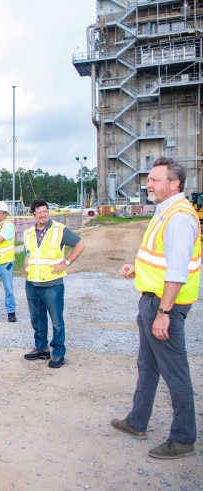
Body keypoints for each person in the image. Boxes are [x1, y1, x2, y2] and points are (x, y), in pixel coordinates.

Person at [112, 157, 200, 459]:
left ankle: (184, 438)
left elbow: (177, 271)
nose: (148, 184)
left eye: (154, 179)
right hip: (152, 299)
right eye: (149, 179)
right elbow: (162, 261)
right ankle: (137, 421)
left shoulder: (178, 216)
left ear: (173, 183)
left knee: (175, 373)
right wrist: (137, 270)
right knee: (147, 365)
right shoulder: (165, 212)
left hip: (165, 306)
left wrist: (163, 313)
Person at [22, 199, 86, 368]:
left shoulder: (59, 230)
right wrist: (26, 273)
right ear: (33, 215)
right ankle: (41, 348)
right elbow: (28, 255)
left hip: (52, 284)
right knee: (37, 319)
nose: (43, 215)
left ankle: (58, 352)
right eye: (39, 212)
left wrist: (67, 263)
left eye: (45, 211)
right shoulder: (28, 233)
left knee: (57, 320)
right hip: (32, 283)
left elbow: (80, 244)